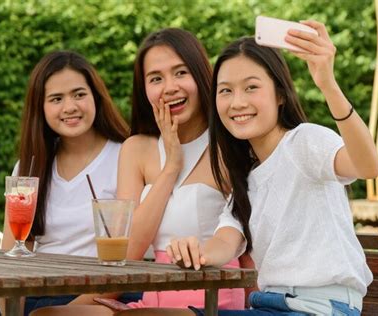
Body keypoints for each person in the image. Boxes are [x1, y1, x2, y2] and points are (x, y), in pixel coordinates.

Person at [166, 21, 378, 315]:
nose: (237, 102)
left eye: (251, 87)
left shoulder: (304, 142)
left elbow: (366, 166)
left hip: (320, 308)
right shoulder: (247, 180)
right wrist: (192, 251)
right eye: (225, 91)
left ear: (280, 95)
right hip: (269, 306)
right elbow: (222, 245)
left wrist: (327, 84)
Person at [35, 28, 250, 316]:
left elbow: (247, 243)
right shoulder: (137, 149)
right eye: (156, 79)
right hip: (151, 300)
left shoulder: (229, 146)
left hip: (210, 296)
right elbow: (128, 249)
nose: (170, 87)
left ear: (201, 75)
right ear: (144, 89)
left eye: (180, 73)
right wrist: (170, 167)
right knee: (48, 314)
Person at [0, 51, 133, 316]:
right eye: (56, 99)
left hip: (100, 298)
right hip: (30, 297)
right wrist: (12, 311)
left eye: (79, 94)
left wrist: (63, 312)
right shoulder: (29, 169)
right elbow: (13, 256)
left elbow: (132, 255)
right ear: (41, 108)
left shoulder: (126, 156)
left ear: (96, 97)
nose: (70, 107)